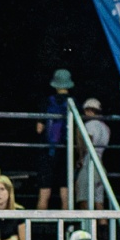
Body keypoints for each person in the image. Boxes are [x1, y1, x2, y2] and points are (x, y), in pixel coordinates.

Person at [32, 68, 77, 210]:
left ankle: (40, 222)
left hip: (48, 151)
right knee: (65, 192)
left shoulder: (47, 102)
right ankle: (67, 222)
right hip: (67, 150)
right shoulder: (73, 103)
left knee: (44, 192)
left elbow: (39, 128)